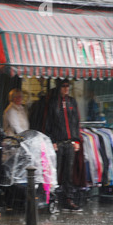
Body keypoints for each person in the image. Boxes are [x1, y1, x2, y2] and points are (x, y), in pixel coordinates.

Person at [45, 79, 82, 211]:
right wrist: (53, 141)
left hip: (69, 142)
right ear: (59, 87)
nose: (66, 88)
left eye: (68, 86)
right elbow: (48, 123)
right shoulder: (53, 102)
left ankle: (68, 199)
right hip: (59, 143)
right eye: (64, 86)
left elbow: (76, 122)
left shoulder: (72, 101)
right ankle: (52, 199)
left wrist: (76, 140)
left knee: (68, 173)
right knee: (56, 171)